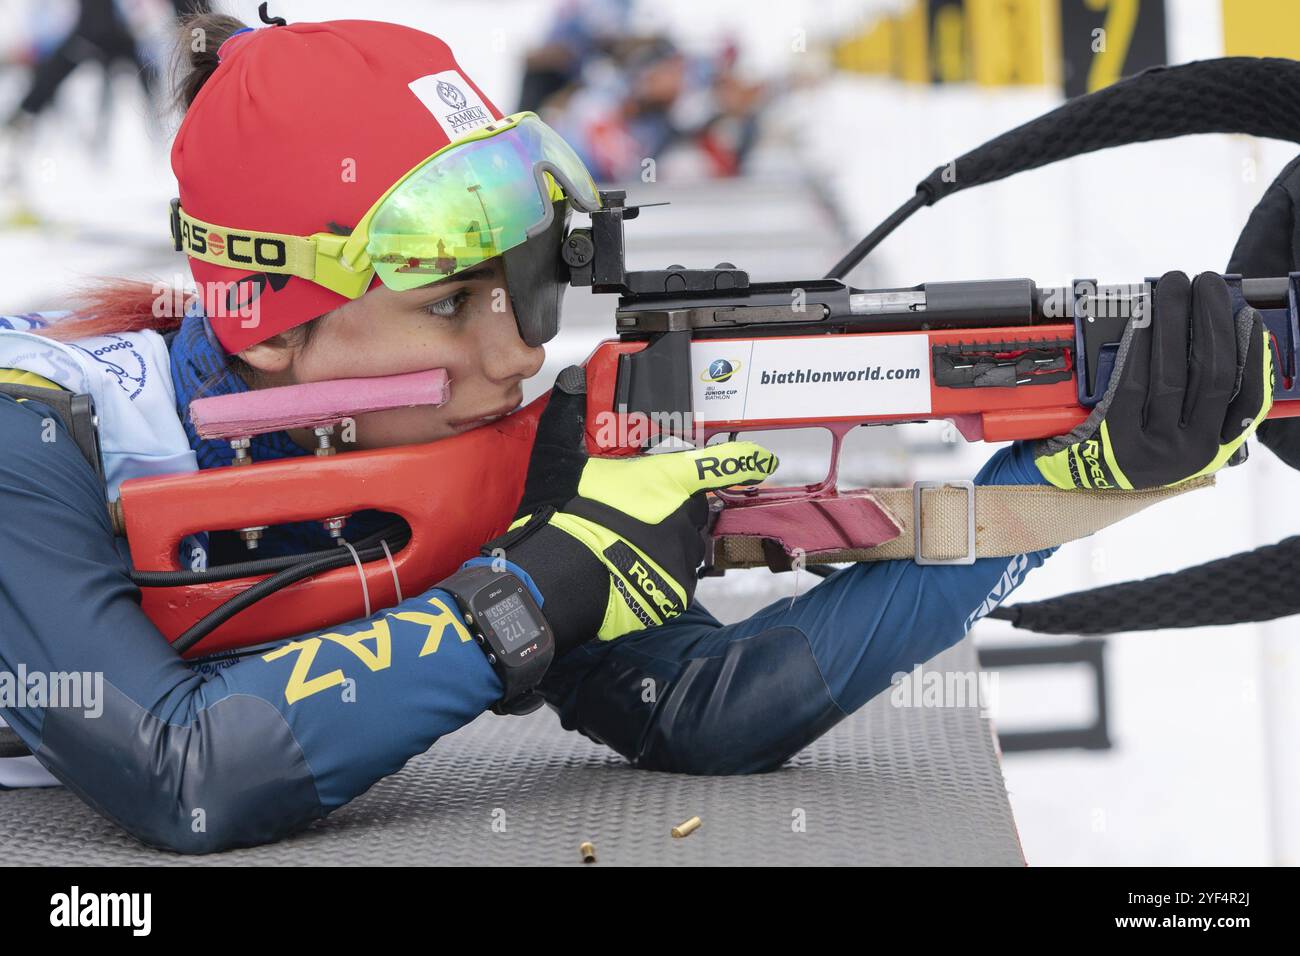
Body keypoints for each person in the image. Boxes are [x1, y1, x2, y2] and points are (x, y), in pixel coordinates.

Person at [0, 14, 1273, 853]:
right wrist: (538, 592)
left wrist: (1078, 479)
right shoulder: (34, 424)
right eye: (448, 304)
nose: (512, 353)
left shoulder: (460, 448)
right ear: (263, 324)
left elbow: (707, 709)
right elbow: (182, 768)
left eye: (527, 291)